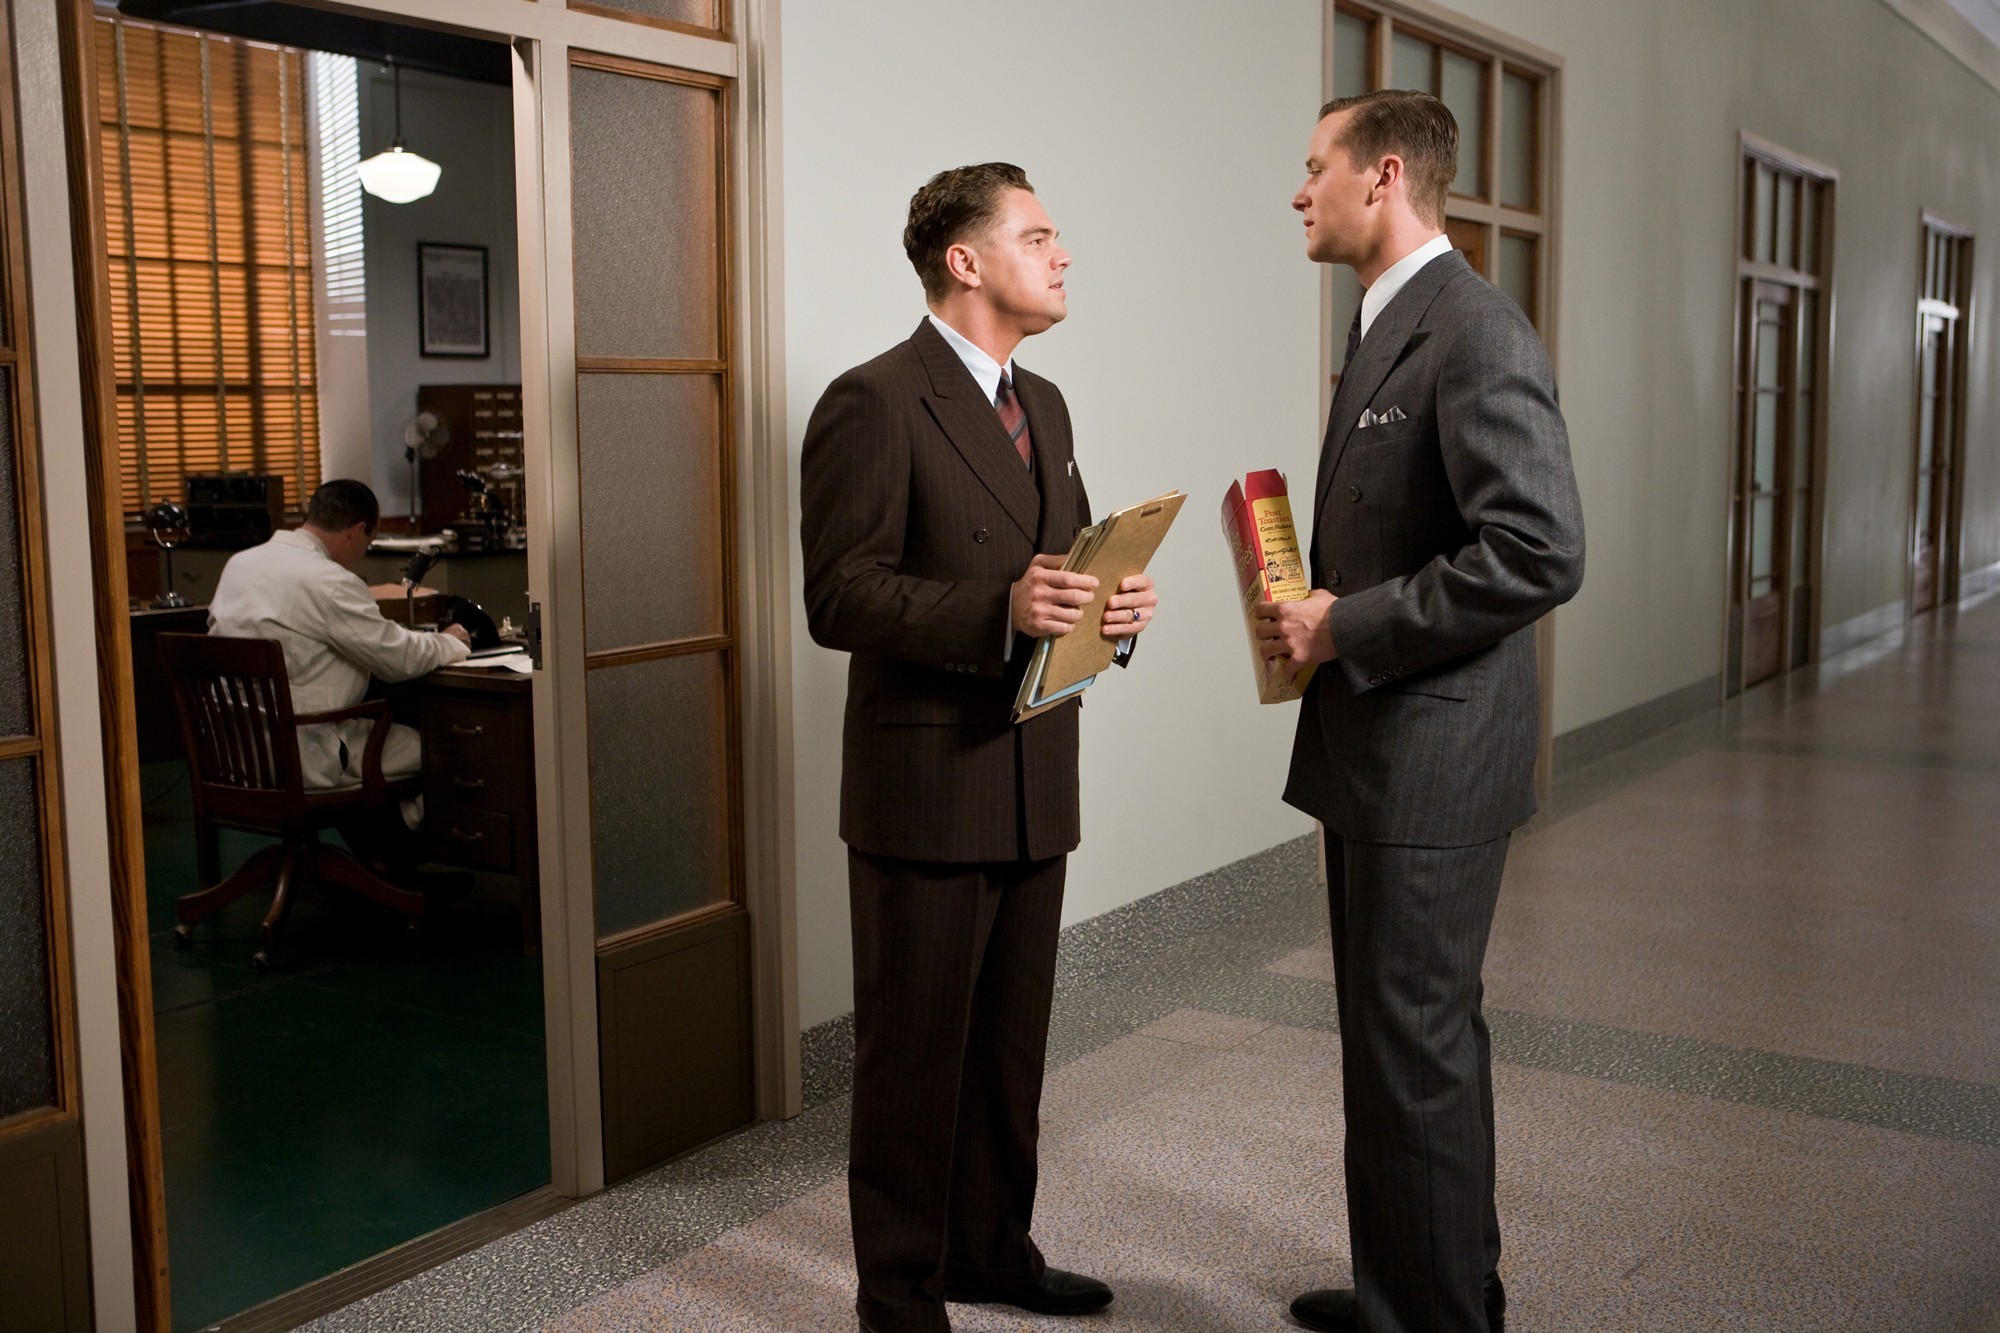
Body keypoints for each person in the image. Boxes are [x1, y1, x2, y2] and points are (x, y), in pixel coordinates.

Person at [799, 162, 1158, 1333]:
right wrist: (993, 613)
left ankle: (991, 1248)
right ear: (965, 260)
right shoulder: (872, 400)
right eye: (1039, 235)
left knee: (1009, 1049)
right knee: (911, 1064)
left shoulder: (1042, 404)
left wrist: (1111, 608)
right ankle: (899, 1297)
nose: (1061, 256)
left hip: (1031, 777)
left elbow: (1064, 562)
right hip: (924, 782)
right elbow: (839, 596)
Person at [1252, 91, 1585, 1333]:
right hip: (1379, 748)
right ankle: (1421, 1285)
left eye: (1312, 167)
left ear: (1381, 175)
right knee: (1401, 1045)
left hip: (1429, 754)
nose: (1298, 192)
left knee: (1413, 1045)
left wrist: (1350, 623)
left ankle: (1435, 1314)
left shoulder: (1473, 330)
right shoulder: (1390, 323)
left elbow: (1540, 549)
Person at [208, 479, 470, 852]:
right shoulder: (328, 580)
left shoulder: (241, 564)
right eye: (367, 543)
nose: (363, 552)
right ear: (357, 531)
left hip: (236, 753)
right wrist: (449, 642)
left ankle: (370, 860)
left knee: (376, 736)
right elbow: (398, 660)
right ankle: (392, 855)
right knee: (436, 746)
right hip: (303, 757)